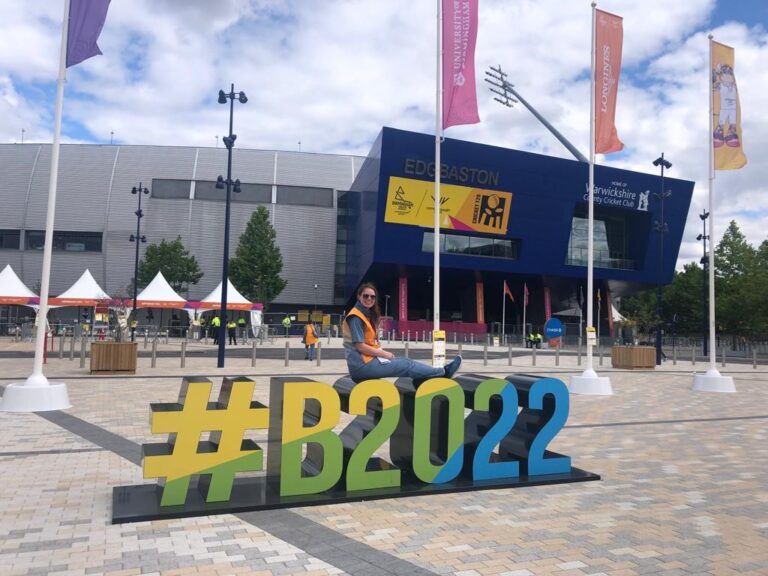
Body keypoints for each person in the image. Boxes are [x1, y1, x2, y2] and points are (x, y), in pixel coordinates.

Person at [343, 282, 461, 384]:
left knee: (406, 361)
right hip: (362, 366)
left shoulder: (364, 314)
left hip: (367, 361)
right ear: (359, 296)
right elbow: (360, 346)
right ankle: (444, 372)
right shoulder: (356, 317)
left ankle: (432, 375)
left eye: (372, 297)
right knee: (406, 366)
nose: (369, 299)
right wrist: (383, 354)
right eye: (366, 296)